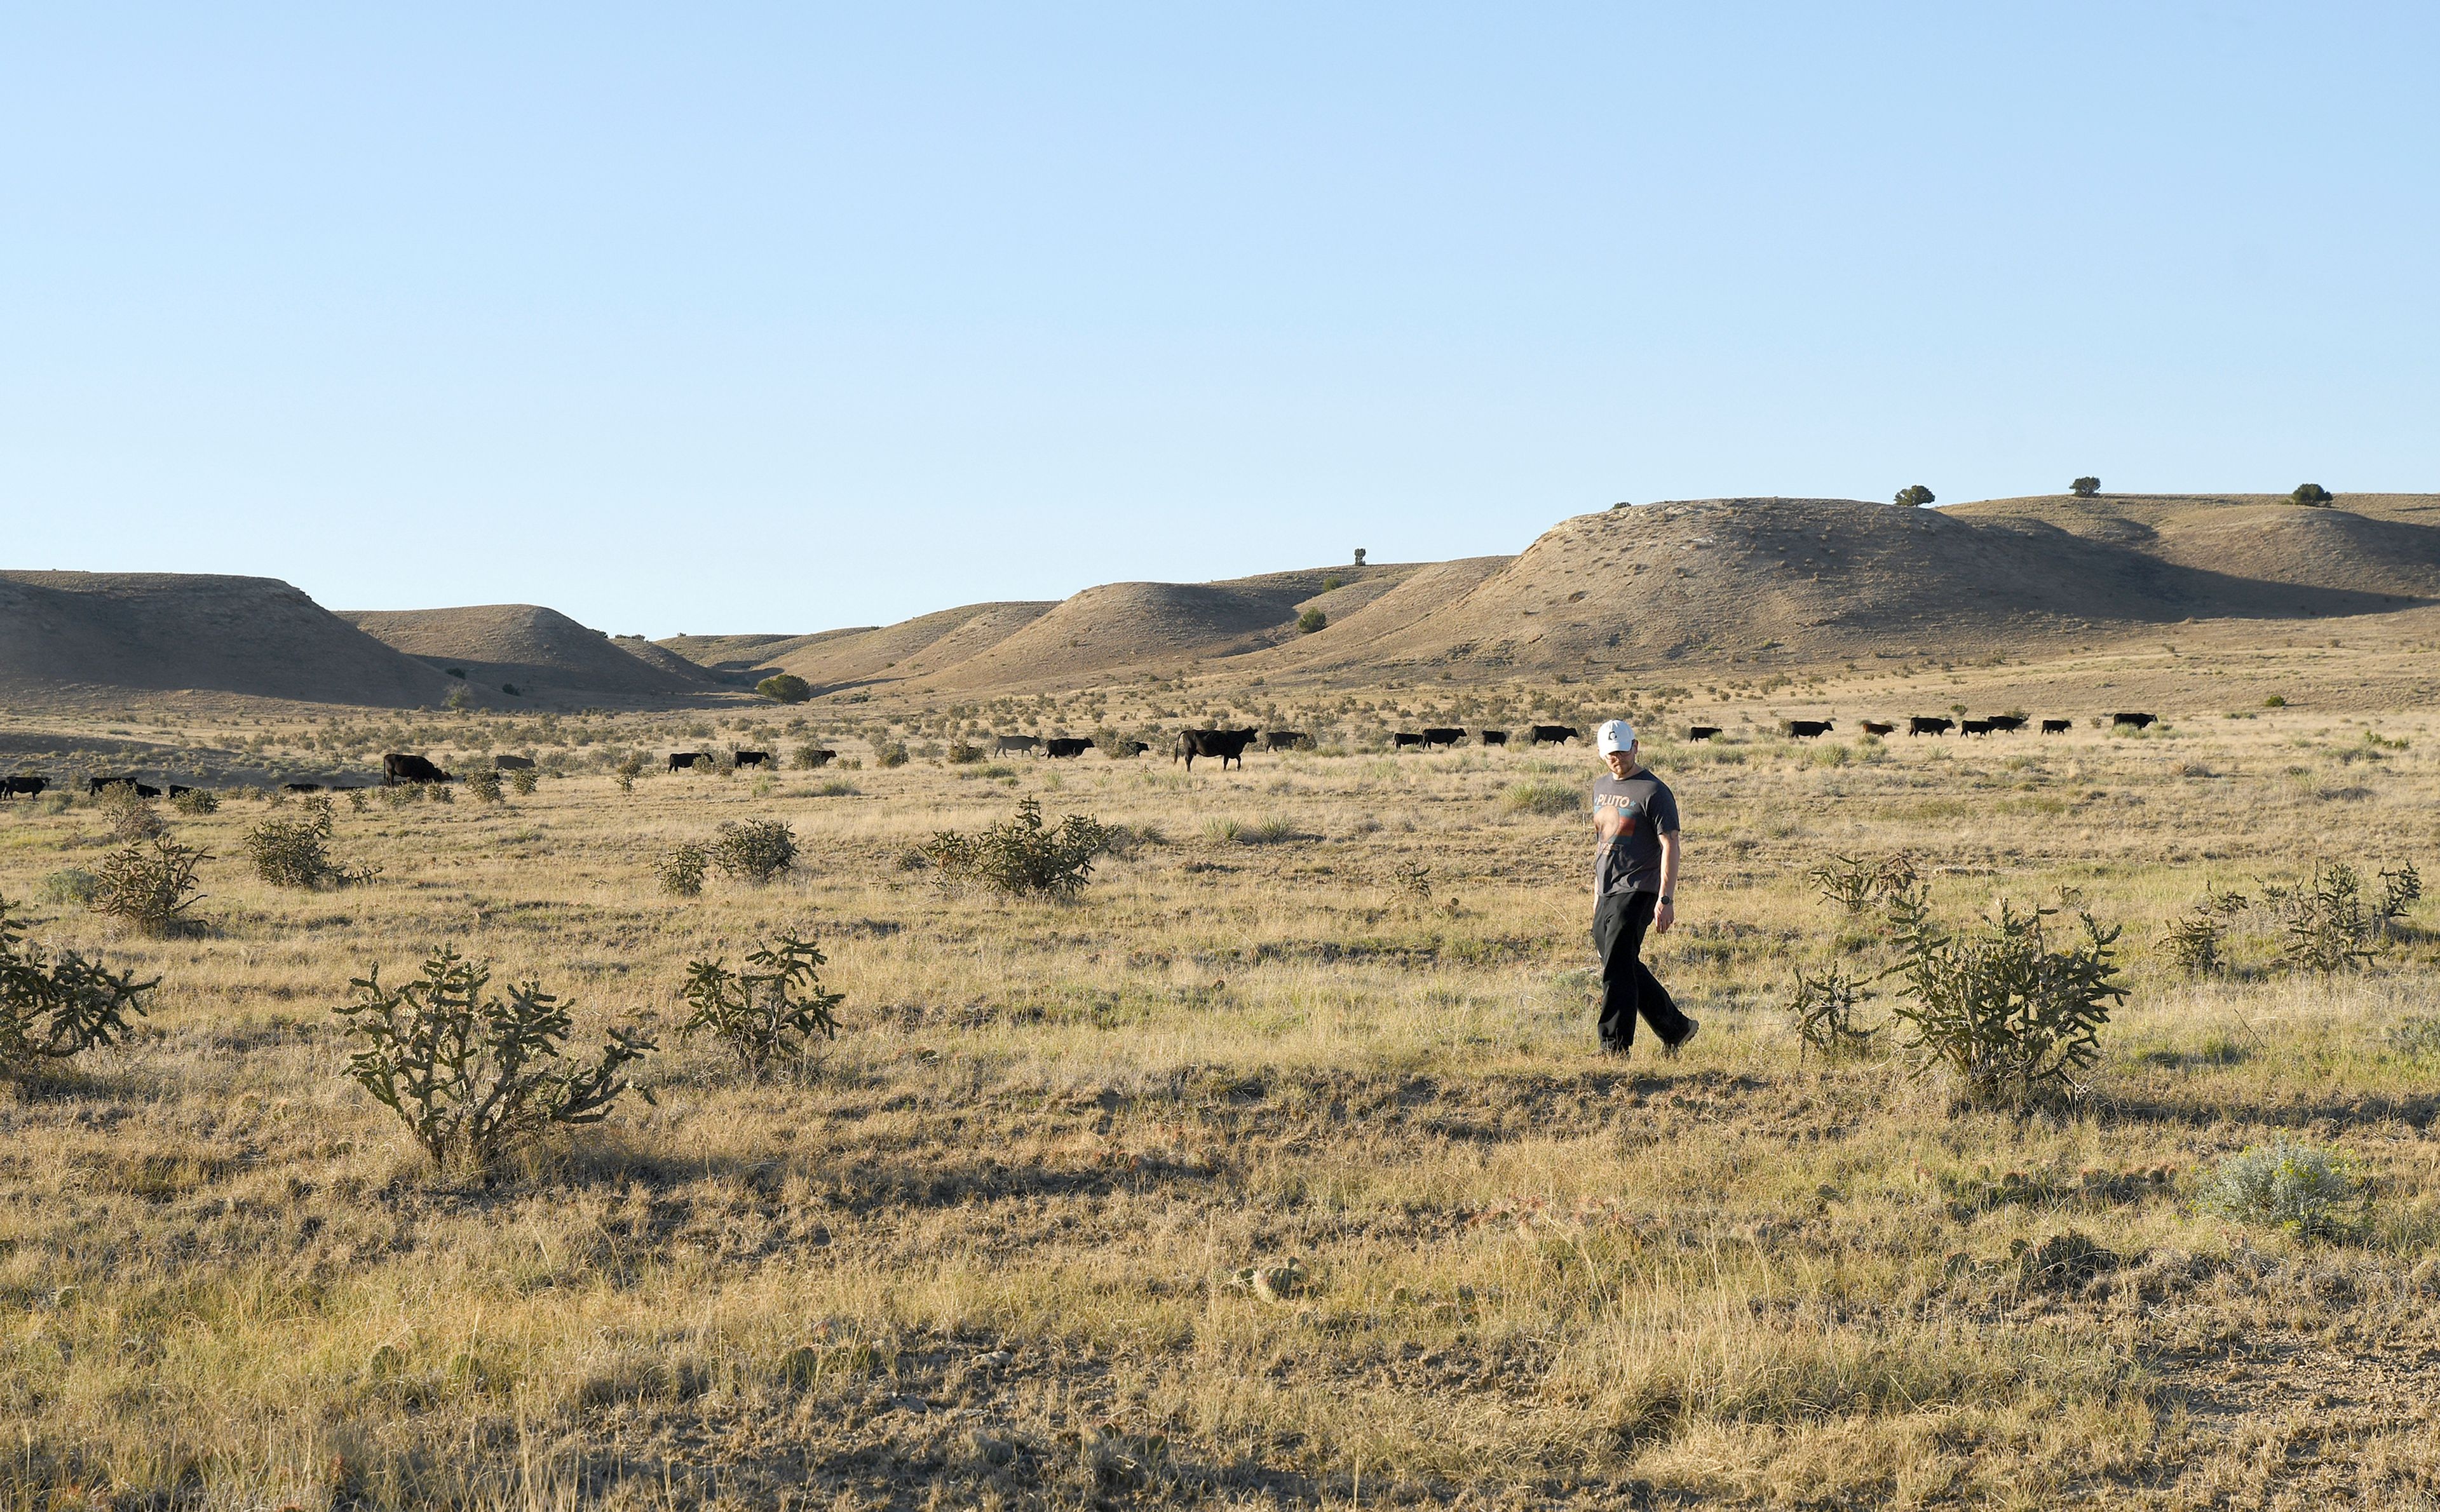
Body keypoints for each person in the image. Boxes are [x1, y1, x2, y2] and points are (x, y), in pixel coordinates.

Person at [1589, 719, 1697, 1058]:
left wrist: (1666, 898)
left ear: (1636, 747)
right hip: (1607, 888)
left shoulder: (1654, 791)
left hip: (1640, 888)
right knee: (1620, 962)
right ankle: (1676, 1027)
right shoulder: (1599, 787)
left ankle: (1614, 1048)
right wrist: (1596, 893)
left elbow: (1671, 845)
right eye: (1610, 754)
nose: (1616, 759)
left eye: (1622, 752)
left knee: (1617, 968)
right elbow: (1602, 843)